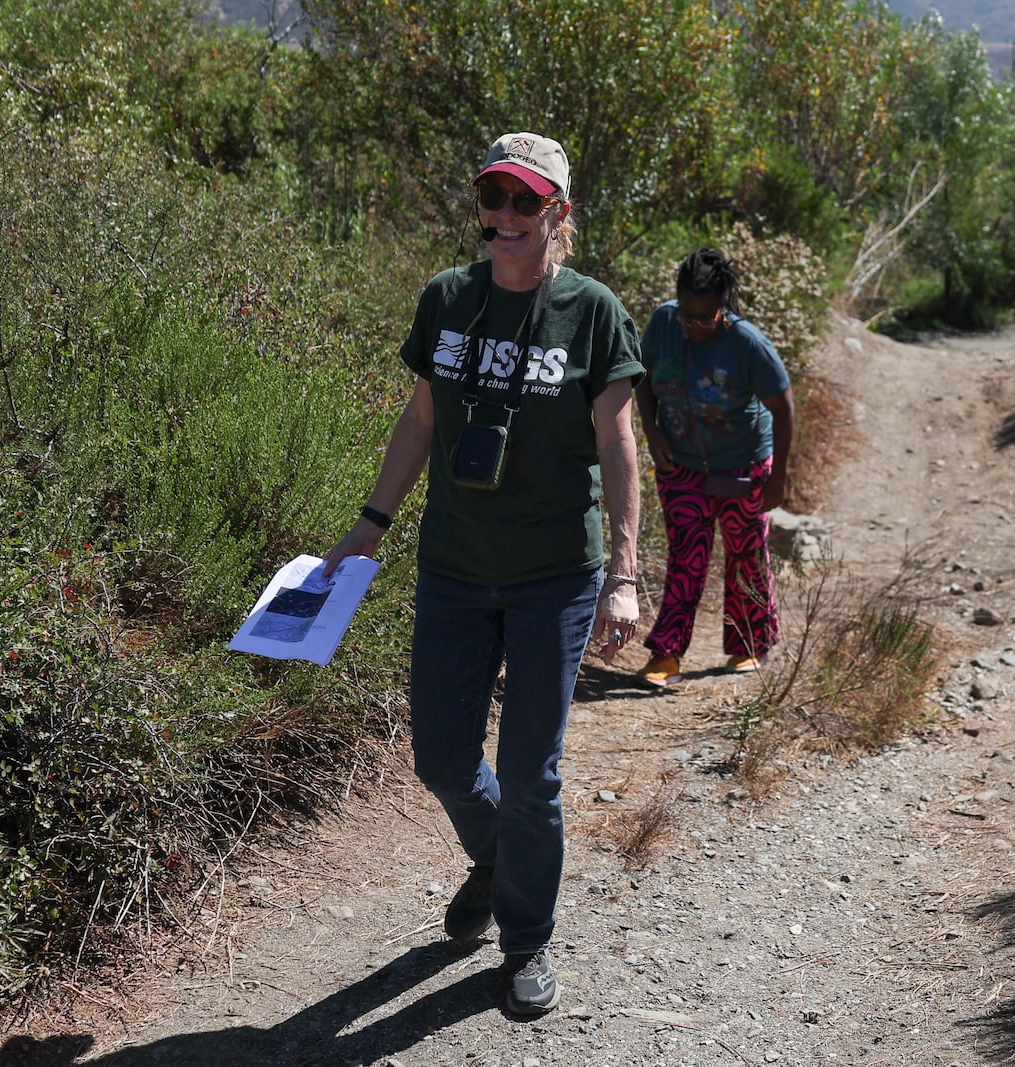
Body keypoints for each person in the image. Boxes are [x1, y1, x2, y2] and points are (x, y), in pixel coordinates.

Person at [321, 132, 643, 1016]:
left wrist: (625, 569)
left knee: (532, 768)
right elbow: (421, 420)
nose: (504, 217)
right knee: (441, 756)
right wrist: (369, 525)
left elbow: (619, 444)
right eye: (493, 199)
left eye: (524, 203)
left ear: (559, 214)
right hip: (456, 568)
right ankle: (501, 857)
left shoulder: (592, 311)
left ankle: (527, 938)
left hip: (555, 574)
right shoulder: (448, 300)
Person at [634, 248, 794, 687]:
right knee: (686, 554)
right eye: (687, 314)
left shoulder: (748, 343)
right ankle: (665, 654)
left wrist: (778, 478)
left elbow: (783, 408)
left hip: (742, 467)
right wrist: (654, 434)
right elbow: (643, 381)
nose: (692, 326)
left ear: (724, 308)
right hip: (681, 464)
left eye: (705, 319)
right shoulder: (664, 323)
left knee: (745, 554)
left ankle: (748, 644)